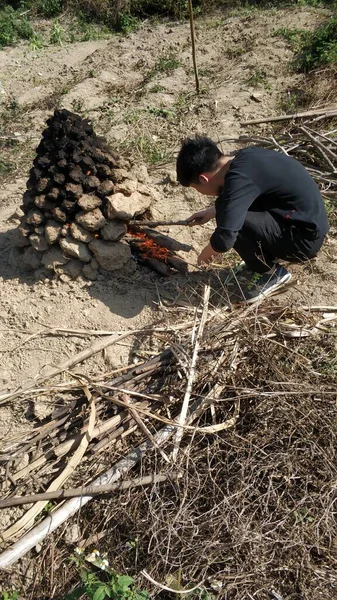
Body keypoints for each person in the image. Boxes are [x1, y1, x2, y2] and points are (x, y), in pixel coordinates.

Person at [176, 135, 329, 303]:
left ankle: (270, 274)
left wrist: (208, 252)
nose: (199, 192)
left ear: (203, 179)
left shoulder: (239, 178)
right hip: (304, 223)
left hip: (302, 240)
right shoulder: (246, 159)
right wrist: (212, 211)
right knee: (224, 207)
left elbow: (225, 238)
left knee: (229, 218)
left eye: (195, 188)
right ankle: (268, 256)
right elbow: (242, 197)